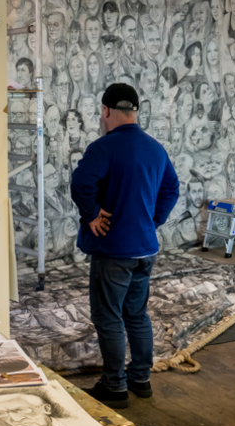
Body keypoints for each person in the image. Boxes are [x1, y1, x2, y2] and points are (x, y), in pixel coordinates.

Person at [69, 83, 179, 409]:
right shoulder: (155, 149)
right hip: (145, 248)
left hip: (114, 249)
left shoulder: (103, 148)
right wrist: (152, 221)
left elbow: (80, 184)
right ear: (134, 111)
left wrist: (91, 215)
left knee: (108, 317)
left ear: (105, 111)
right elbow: (171, 189)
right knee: (136, 313)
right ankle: (140, 379)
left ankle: (114, 386)